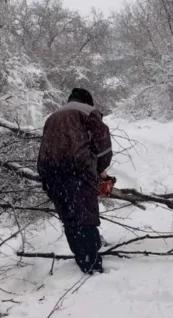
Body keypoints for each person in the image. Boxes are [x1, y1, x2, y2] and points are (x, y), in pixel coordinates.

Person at [37, 88, 113, 274]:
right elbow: (103, 147)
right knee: (85, 216)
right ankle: (91, 265)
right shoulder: (88, 112)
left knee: (69, 216)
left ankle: (83, 254)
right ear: (89, 101)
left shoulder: (53, 116)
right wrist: (100, 172)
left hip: (49, 171)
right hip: (76, 170)